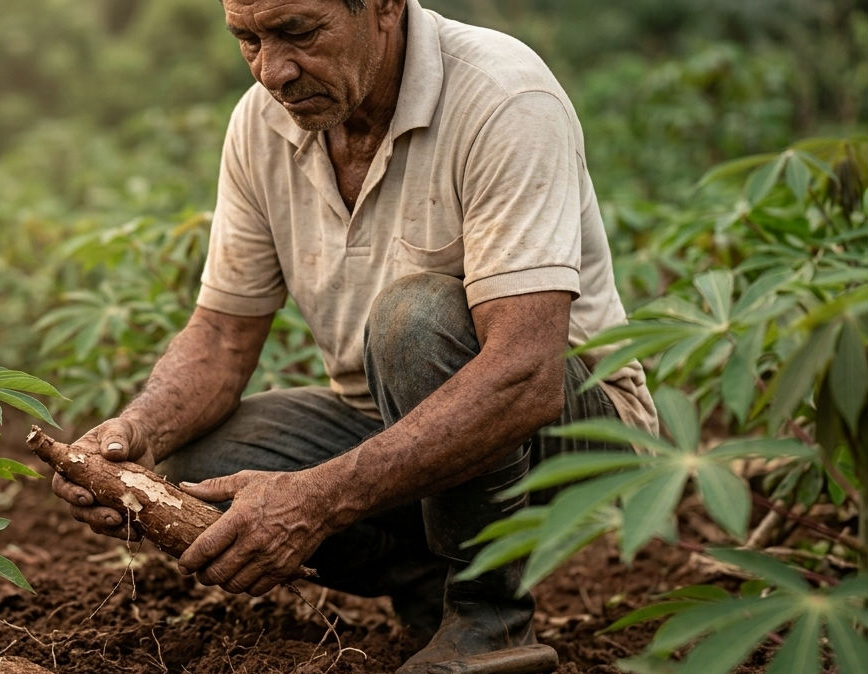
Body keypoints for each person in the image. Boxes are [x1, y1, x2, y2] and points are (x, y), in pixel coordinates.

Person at [51, 0, 658, 671]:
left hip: (576, 439)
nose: (271, 71)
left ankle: (492, 621)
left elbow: (524, 375)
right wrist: (132, 436)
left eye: (297, 32)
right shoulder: (261, 125)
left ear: (383, 7)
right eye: (247, 39)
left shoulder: (502, 94)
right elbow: (223, 337)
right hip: (391, 430)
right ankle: (433, 589)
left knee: (414, 318)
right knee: (205, 463)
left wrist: (316, 499)